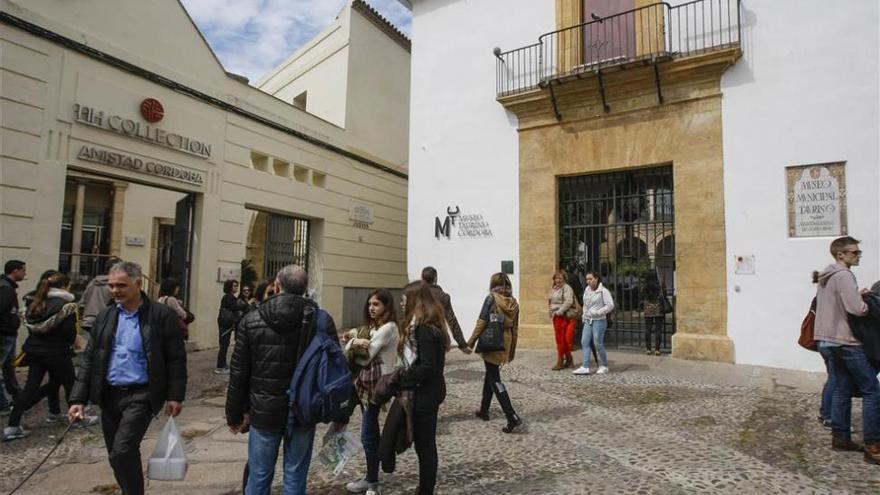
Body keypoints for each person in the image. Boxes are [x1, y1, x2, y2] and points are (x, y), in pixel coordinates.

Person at [68, 261, 187, 495]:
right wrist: (77, 399)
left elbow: (175, 359)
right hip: (109, 394)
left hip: (142, 394)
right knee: (115, 455)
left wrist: (175, 396)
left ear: (138, 284)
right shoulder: (106, 316)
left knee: (123, 450)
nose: (115, 291)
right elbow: (91, 359)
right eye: (111, 286)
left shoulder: (160, 315)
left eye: (121, 285)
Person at [226, 265, 337, 495]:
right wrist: (339, 412)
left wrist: (234, 414)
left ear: (277, 286)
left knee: (258, 476)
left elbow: (239, 373)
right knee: (295, 476)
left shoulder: (252, 319)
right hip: (304, 409)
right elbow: (335, 369)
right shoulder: (321, 320)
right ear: (305, 288)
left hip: (264, 410)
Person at [812, 236, 878, 464]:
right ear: (840, 254)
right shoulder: (844, 275)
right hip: (845, 341)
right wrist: (867, 302)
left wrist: (856, 295)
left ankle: (840, 437)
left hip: (825, 340)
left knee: (841, 388)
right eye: (854, 252)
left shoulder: (825, 276)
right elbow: (855, 309)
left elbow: (835, 303)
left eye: (858, 252)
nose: (858, 256)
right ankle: (873, 445)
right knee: (872, 391)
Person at [3, 273, 80, 440]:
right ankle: (78, 418)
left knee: (31, 387)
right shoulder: (66, 306)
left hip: (35, 351)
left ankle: (12, 425)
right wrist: (72, 340)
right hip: (58, 352)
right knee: (71, 385)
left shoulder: (35, 301)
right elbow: (68, 332)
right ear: (65, 286)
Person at [342, 289, 399, 495]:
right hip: (362, 384)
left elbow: (364, 357)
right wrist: (354, 341)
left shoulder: (388, 328)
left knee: (368, 434)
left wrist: (351, 343)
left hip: (375, 387)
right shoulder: (373, 327)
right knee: (344, 419)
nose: (371, 308)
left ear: (386, 306)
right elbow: (355, 343)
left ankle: (372, 481)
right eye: (370, 304)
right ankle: (371, 477)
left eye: (376, 304)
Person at [397, 281, 449, 494]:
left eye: (403, 300)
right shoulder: (430, 327)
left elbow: (428, 365)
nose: (401, 304)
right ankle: (425, 486)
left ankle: (426, 489)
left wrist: (403, 380)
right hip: (432, 390)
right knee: (424, 444)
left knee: (425, 445)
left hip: (426, 392)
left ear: (415, 301)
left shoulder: (424, 330)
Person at [467, 273, 523, 433]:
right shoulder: (514, 303)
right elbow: (515, 329)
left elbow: (482, 322)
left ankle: (511, 415)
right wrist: (512, 350)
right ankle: (484, 410)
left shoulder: (491, 299)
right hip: (504, 343)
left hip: (491, 343)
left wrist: (470, 342)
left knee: (494, 379)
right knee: (490, 374)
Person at [421, 266, 471, 354]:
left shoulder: (416, 294)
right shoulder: (443, 297)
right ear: (436, 278)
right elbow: (452, 321)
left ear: (422, 278)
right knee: (437, 366)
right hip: (438, 336)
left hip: (420, 336)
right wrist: (462, 344)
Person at [573, 271, 614, 375]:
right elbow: (585, 304)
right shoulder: (587, 290)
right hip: (588, 319)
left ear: (596, 279)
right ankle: (585, 366)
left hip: (599, 320)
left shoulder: (603, 291)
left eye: (590, 279)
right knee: (585, 342)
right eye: (587, 279)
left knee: (598, 343)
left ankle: (603, 365)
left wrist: (598, 312)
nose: (588, 281)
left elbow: (610, 305)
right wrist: (584, 315)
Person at [0, 260, 26, 415]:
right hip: (4, 335)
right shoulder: (6, 288)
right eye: (23, 270)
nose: (25, 274)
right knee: (5, 368)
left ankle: (17, 397)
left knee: (9, 368)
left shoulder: (6, 286)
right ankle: (2, 404)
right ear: (15, 271)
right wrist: (7, 327)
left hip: (7, 334)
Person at [79, 257, 119, 336]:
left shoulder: (93, 282)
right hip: (106, 322)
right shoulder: (115, 285)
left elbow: (82, 302)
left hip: (88, 322)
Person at [216, 279, 247, 374]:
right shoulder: (228, 297)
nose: (236, 288)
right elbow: (235, 307)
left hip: (226, 323)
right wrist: (244, 304)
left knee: (225, 344)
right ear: (229, 286)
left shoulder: (230, 297)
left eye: (237, 286)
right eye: (234, 286)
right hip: (225, 324)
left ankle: (223, 364)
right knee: (224, 345)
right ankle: (220, 366)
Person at [548, 270, 576, 370]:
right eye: (556, 278)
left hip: (562, 316)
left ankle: (560, 361)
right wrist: (551, 311)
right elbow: (551, 300)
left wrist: (560, 311)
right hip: (556, 316)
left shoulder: (567, 288)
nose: (558, 280)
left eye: (560, 278)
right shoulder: (555, 288)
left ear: (564, 279)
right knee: (560, 339)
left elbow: (569, 301)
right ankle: (569, 359)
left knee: (561, 339)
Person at [641, 277, 665, 356]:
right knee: (658, 330)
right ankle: (657, 349)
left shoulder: (645, 286)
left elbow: (642, 295)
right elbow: (664, 294)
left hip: (648, 308)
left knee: (648, 329)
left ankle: (648, 349)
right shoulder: (658, 285)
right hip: (658, 308)